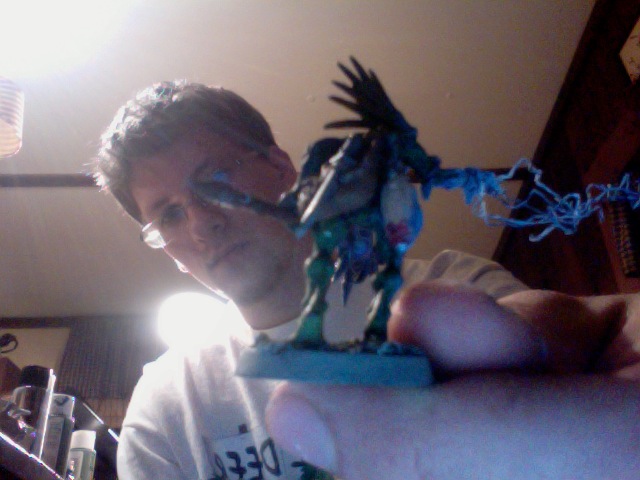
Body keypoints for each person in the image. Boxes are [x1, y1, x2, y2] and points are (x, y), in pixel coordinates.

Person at [95, 80, 638, 480]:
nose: (201, 223)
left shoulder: (454, 285)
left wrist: (567, 346)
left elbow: (573, 338)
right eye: (168, 215)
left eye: (215, 179)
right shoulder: (164, 411)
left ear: (281, 169)